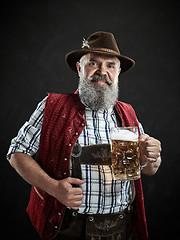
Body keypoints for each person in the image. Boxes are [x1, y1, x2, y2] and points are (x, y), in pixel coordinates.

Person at [7, 31, 162, 240]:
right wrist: (54, 188)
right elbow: (17, 153)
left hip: (121, 229)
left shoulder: (128, 113)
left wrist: (152, 155)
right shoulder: (53, 107)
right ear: (80, 68)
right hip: (69, 229)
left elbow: (149, 168)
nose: (102, 71)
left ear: (118, 71)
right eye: (93, 63)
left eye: (110, 65)